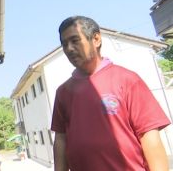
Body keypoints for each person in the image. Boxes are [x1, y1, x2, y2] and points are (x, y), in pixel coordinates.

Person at [51, 16, 171, 171]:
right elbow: (61, 139)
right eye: (64, 44)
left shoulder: (127, 80)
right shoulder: (63, 92)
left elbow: (149, 137)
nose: (69, 49)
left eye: (75, 40)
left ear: (96, 39)